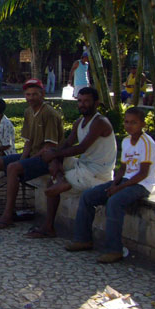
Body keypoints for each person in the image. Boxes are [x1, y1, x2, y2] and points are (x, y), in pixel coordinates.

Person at [0, 78, 63, 227]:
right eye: (28, 94)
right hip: (32, 154)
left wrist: (24, 161)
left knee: (13, 168)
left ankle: (7, 215)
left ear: (42, 94)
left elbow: (50, 146)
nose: (31, 98)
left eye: (34, 94)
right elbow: (28, 141)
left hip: (48, 158)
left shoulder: (49, 113)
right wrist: (23, 158)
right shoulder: (28, 112)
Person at [65, 107, 155, 263]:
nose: (129, 126)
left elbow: (143, 174)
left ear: (142, 124)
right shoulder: (126, 141)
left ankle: (114, 250)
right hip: (125, 180)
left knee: (114, 202)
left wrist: (119, 188)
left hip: (141, 184)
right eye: (126, 122)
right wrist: (114, 183)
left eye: (134, 123)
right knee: (88, 196)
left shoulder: (147, 143)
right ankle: (82, 239)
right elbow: (123, 168)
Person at [24, 87, 116, 238]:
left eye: (86, 101)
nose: (82, 104)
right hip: (83, 165)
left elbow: (81, 148)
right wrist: (55, 158)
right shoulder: (79, 122)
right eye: (80, 101)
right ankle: (61, 180)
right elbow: (67, 144)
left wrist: (55, 154)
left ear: (96, 103)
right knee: (54, 158)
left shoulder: (100, 122)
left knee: (51, 183)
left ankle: (48, 226)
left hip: (96, 173)